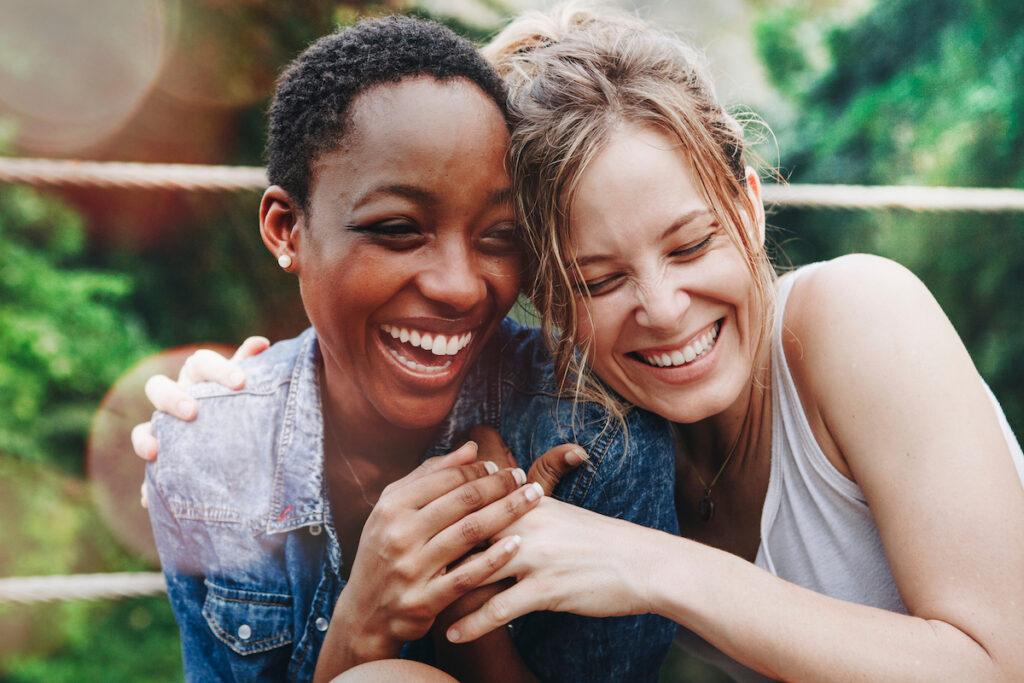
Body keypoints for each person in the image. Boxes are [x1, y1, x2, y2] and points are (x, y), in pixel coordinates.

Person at [431, 4, 1024, 681]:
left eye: (691, 245)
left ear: (747, 202)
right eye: (599, 281)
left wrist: (657, 565)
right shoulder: (610, 451)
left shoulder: (858, 315)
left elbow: (1000, 664)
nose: (663, 308)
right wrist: (476, 566)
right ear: (549, 301)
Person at [141, 14, 678, 683]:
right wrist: (361, 623)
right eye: (396, 229)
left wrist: (470, 592)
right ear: (287, 229)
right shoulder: (207, 454)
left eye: (499, 235)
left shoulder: (595, 440)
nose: (458, 286)